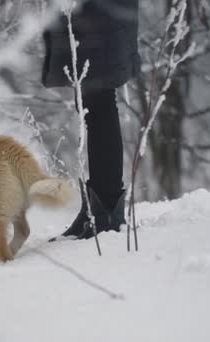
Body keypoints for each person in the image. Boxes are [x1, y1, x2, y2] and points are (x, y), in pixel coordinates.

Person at [42, 0, 141, 240]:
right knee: (91, 97)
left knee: (98, 97)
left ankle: (105, 212)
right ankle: (98, 209)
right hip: (93, 11)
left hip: (99, 11)